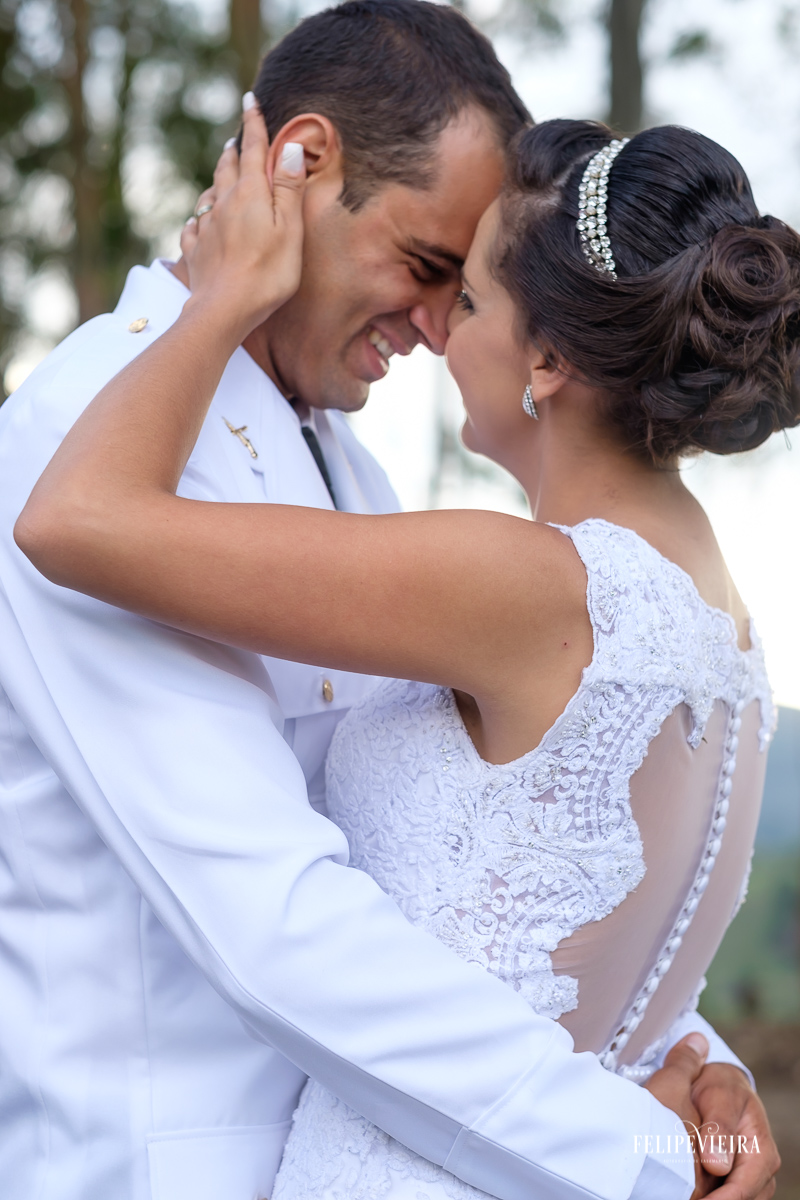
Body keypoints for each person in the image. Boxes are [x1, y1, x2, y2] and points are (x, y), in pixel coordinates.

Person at [14, 66, 796, 1200]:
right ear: (300, 166)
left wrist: (679, 1069)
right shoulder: (706, 614)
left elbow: (536, 917)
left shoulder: (454, 537)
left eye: (465, 296)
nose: (437, 331)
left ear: (548, 360)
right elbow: (286, 919)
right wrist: (659, 1116)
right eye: (434, 270)